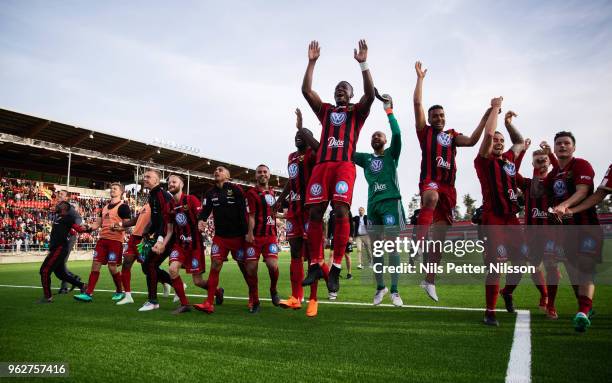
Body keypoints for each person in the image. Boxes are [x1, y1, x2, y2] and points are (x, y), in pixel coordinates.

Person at [300, 39, 375, 296]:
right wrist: (312, 62)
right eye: (337, 88)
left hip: (344, 165)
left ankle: (334, 268)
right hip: (322, 166)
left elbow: (370, 93)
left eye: (344, 88)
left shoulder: (357, 112)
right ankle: (314, 264)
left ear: (351, 94)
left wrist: (363, 64)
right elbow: (306, 91)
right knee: (314, 213)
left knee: (341, 210)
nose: (340, 90)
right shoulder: (327, 111)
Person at [412, 61, 490, 302]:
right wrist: (420, 80)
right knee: (431, 196)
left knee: (440, 239)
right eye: (434, 115)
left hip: (450, 189)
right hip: (431, 181)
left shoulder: (452, 136)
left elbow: (474, 141)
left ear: (445, 118)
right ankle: (417, 242)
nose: (438, 118)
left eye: (441, 115)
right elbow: (417, 104)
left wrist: (487, 116)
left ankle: (429, 280)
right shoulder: (424, 132)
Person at [474, 97, 526, 326]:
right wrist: (495, 108)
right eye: (495, 139)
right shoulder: (483, 161)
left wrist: (508, 123)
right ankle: (490, 311)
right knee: (496, 265)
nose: (498, 141)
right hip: (492, 219)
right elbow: (486, 136)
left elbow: (520, 141)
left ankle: (507, 292)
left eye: (500, 140)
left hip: (511, 219)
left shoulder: (508, 160)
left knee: (522, 262)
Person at [353, 92, 405, 306]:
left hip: (391, 202)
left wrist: (389, 111)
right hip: (373, 206)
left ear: (384, 141)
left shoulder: (392, 154)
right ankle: (380, 288)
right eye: (373, 136)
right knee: (376, 250)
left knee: (392, 246)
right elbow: (347, 150)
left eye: (380, 136)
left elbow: (398, 135)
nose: (376, 137)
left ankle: (394, 290)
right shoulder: (365, 159)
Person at [546, 132, 601, 332]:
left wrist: (564, 205)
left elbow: (582, 191)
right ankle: (586, 307)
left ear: (573, 147)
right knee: (573, 271)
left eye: (566, 143)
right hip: (565, 232)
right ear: (554, 148)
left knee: (585, 267)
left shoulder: (581, 165)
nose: (562, 146)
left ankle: (583, 312)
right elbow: (548, 201)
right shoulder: (552, 176)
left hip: (586, 227)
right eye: (559, 143)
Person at [274, 108, 327, 316]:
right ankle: (297, 297)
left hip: (310, 208)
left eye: (302, 135)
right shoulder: (291, 157)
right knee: (295, 253)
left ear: (309, 138)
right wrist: (280, 199)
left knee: (313, 255)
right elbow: (291, 181)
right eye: (296, 135)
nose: (298, 137)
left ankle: (313, 299)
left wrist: (301, 127)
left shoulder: (314, 154)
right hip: (293, 210)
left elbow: (321, 148)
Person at [514, 139, 561, 319]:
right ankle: (544, 294)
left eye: (544, 160)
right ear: (532, 164)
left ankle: (551, 305)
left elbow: (559, 170)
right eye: (538, 161)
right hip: (532, 234)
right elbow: (512, 173)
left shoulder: (555, 181)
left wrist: (551, 154)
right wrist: (523, 151)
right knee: (533, 267)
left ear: (549, 162)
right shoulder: (527, 184)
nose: (541, 163)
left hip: (551, 233)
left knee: (551, 265)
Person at [193, 166, 247, 314]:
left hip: (238, 237)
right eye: (215, 170)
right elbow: (205, 210)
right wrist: (201, 220)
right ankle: (209, 303)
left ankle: (253, 298)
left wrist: (247, 233)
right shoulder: (210, 193)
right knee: (215, 265)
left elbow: (243, 212)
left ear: (228, 176)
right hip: (220, 238)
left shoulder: (236, 189)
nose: (217, 171)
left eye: (221, 170)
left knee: (245, 268)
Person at [159, 175, 210, 314]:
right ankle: (185, 304)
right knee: (172, 269)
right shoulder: (168, 206)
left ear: (181, 184)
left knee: (198, 281)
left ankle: (217, 291)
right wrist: (163, 244)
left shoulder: (191, 199)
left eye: (174, 182)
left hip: (195, 245)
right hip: (179, 244)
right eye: (169, 183)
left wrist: (201, 223)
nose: (171, 184)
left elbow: (201, 216)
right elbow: (169, 230)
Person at [74, 183, 131, 303]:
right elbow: (96, 225)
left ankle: (119, 291)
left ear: (121, 192)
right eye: (111, 188)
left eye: (115, 189)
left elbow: (127, 226)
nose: (112, 190)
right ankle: (88, 293)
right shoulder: (104, 208)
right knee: (95, 265)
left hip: (115, 241)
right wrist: (88, 227)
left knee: (112, 267)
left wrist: (118, 228)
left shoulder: (123, 207)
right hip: (102, 240)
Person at [244, 164, 281, 313]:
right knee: (252, 269)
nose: (262, 174)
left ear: (269, 175)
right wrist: (250, 233)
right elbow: (251, 216)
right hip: (256, 236)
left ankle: (273, 289)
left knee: (273, 265)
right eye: (259, 172)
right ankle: (256, 300)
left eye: (265, 172)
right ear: (256, 176)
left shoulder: (273, 193)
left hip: (270, 236)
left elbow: (273, 214)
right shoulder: (251, 193)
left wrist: (282, 217)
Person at [38, 201, 89, 303]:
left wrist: (87, 228)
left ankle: (47, 297)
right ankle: (82, 285)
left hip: (60, 248)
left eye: (59, 205)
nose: (56, 206)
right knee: (61, 274)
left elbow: (78, 229)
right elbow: (67, 230)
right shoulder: (58, 218)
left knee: (44, 271)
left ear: (64, 208)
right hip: (56, 249)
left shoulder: (68, 218)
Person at [138, 169, 174, 312]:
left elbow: (166, 220)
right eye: (144, 176)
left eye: (148, 177)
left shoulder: (160, 194)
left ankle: (153, 301)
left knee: (150, 264)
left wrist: (160, 239)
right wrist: (148, 231)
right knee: (148, 266)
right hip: (163, 236)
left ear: (157, 180)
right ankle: (176, 285)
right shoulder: (153, 195)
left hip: (169, 237)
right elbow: (157, 219)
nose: (145, 178)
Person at [55, 190, 83, 294]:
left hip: (69, 238)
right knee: (59, 262)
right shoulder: (59, 208)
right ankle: (74, 278)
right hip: (62, 238)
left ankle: (65, 287)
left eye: (61, 194)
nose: (59, 195)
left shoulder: (69, 208)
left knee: (61, 262)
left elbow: (78, 218)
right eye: (59, 194)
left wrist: (74, 226)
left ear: (67, 198)